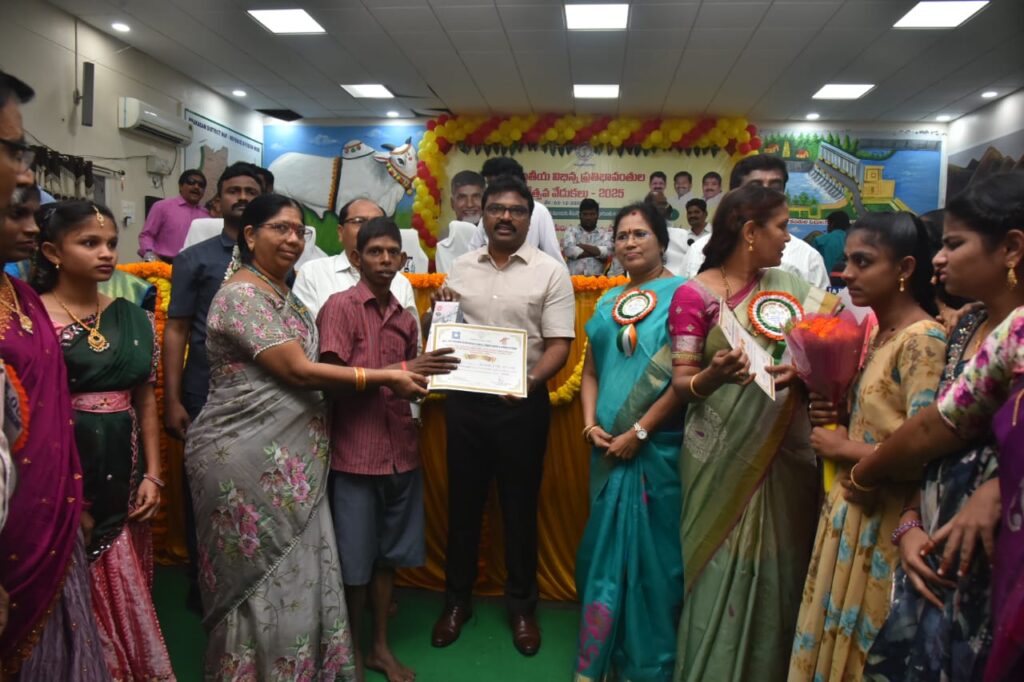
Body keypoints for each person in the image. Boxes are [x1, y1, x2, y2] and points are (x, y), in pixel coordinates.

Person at [184, 193, 427, 679]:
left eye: (299, 230)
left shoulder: (285, 294)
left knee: (297, 575)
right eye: (280, 228)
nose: (293, 239)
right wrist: (389, 375)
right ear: (250, 235)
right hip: (245, 456)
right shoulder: (241, 295)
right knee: (255, 573)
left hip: (294, 461)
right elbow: (298, 371)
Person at [844, 173, 1024, 681]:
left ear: (1011, 249)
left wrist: (998, 489)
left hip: (998, 546)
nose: (939, 259)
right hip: (938, 535)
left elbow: (937, 427)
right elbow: (936, 431)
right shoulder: (968, 325)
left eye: (954, 244)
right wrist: (910, 520)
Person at [667, 183, 841, 681]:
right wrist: (713, 376)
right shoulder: (694, 295)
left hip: (787, 451)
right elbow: (682, 385)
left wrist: (803, 374)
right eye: (781, 226)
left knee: (782, 565)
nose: (788, 237)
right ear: (749, 232)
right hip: (719, 456)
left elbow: (832, 357)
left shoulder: (790, 286)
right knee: (719, 561)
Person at [788, 212, 946, 682]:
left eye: (863, 261)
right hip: (853, 511)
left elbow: (925, 447)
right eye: (848, 261)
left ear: (905, 268)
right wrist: (833, 410)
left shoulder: (923, 341)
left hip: (886, 518)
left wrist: (845, 449)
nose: (847, 273)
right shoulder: (879, 332)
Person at [429, 175, 575, 656]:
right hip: (466, 404)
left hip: (523, 406)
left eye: (516, 210)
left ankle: (522, 608)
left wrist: (528, 383)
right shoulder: (461, 268)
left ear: (530, 218)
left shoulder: (550, 272)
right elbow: (445, 331)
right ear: (483, 216)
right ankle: (457, 603)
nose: (506, 217)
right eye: (496, 209)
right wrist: (438, 314)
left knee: (519, 509)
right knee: (463, 507)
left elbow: (559, 345)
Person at [33, 201, 174, 680]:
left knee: (124, 579)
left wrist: (154, 473)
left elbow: (145, 400)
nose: (106, 253)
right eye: (89, 243)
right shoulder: (34, 320)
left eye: (111, 243)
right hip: (62, 469)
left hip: (125, 465)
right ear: (53, 252)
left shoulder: (131, 315)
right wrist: (66, 493)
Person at [0, 71, 111, 678]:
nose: (24, 172)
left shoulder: (19, 297)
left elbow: (50, 415)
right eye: (14, 150)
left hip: (49, 518)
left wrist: (74, 499)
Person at [318, 217, 455, 682]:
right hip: (355, 456)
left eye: (392, 252)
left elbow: (412, 379)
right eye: (374, 252)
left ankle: (379, 647)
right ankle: (351, 651)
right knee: (354, 565)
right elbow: (331, 382)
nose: (384, 260)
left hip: (401, 452)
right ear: (356, 258)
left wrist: (429, 364)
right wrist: (398, 373)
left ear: (402, 259)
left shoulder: (404, 315)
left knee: (387, 560)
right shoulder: (340, 307)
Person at [574, 201, 685, 681]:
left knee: (653, 565)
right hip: (605, 452)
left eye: (640, 234)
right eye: (622, 236)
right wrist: (589, 425)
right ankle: (601, 655)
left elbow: (685, 379)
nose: (630, 243)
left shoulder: (685, 296)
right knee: (601, 555)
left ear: (662, 240)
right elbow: (591, 372)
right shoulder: (606, 301)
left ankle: (648, 664)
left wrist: (639, 433)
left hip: (657, 451)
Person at [681, 156, 830, 288]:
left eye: (775, 189)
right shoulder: (698, 252)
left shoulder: (807, 258)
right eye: (755, 189)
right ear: (734, 194)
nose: (766, 197)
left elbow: (823, 311)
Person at [293, 198, 418, 318]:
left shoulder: (401, 283)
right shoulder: (313, 273)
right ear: (340, 232)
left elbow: (411, 331)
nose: (369, 229)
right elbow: (306, 329)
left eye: (376, 222)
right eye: (359, 221)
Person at [466, 157, 565, 264]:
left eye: (495, 184)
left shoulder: (539, 211)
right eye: (489, 185)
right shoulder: (490, 212)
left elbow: (553, 256)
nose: (491, 190)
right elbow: (472, 254)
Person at [138, 169, 210, 263]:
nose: (196, 187)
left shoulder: (206, 216)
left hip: (195, 266)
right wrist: (150, 256)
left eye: (201, 185)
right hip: (163, 263)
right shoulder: (162, 207)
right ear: (180, 186)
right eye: (191, 182)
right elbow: (146, 235)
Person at [563, 198, 611, 276]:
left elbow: (606, 253)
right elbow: (570, 251)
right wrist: (597, 252)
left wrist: (582, 246)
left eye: (592, 214)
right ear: (579, 215)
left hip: (597, 281)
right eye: (585, 214)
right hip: (573, 280)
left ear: (597, 215)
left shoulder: (604, 234)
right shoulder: (571, 231)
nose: (588, 217)